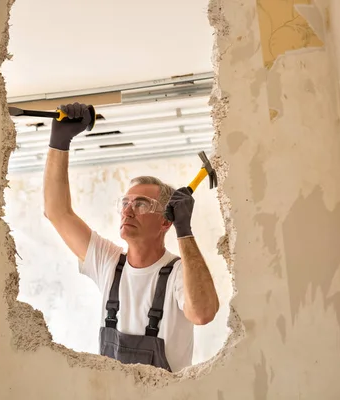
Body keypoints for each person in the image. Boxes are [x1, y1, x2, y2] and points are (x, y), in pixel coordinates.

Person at [43, 102, 219, 373]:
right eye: (125, 202)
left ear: (165, 221)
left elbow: (203, 313)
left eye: (140, 204)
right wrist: (59, 141)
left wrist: (185, 230)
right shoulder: (109, 263)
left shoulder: (178, 273)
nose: (127, 209)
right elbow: (57, 211)